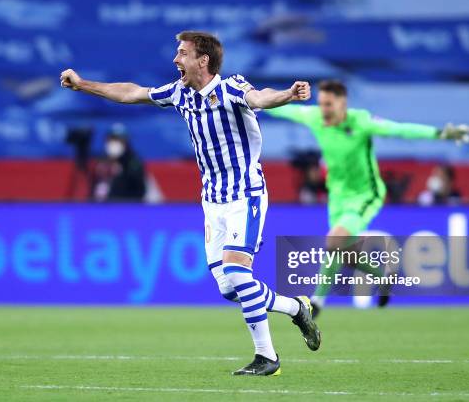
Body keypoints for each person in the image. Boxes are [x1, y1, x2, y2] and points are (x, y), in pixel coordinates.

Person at [60, 31, 320, 376]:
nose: (175, 59)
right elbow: (132, 92)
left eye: (182, 53)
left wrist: (288, 94)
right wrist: (83, 85)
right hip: (212, 201)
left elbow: (260, 99)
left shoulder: (232, 88)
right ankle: (296, 308)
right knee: (230, 288)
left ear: (203, 60)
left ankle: (267, 357)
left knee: (239, 273)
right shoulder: (180, 93)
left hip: (245, 195)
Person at [265, 80, 469, 314]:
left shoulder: (361, 121)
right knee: (344, 252)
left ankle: (317, 303)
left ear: (343, 103)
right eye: (321, 104)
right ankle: (382, 276)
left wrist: (441, 133)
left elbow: (400, 130)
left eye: (329, 104)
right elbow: (281, 107)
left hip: (365, 195)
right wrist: (250, 98)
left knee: (334, 241)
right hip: (338, 196)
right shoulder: (314, 117)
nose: (324, 110)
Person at [92, 128, 147, 202]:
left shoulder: (133, 162)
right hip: (99, 207)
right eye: (112, 139)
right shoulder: (100, 160)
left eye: (118, 140)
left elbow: (140, 191)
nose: (114, 143)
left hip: (123, 206)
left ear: (126, 142)